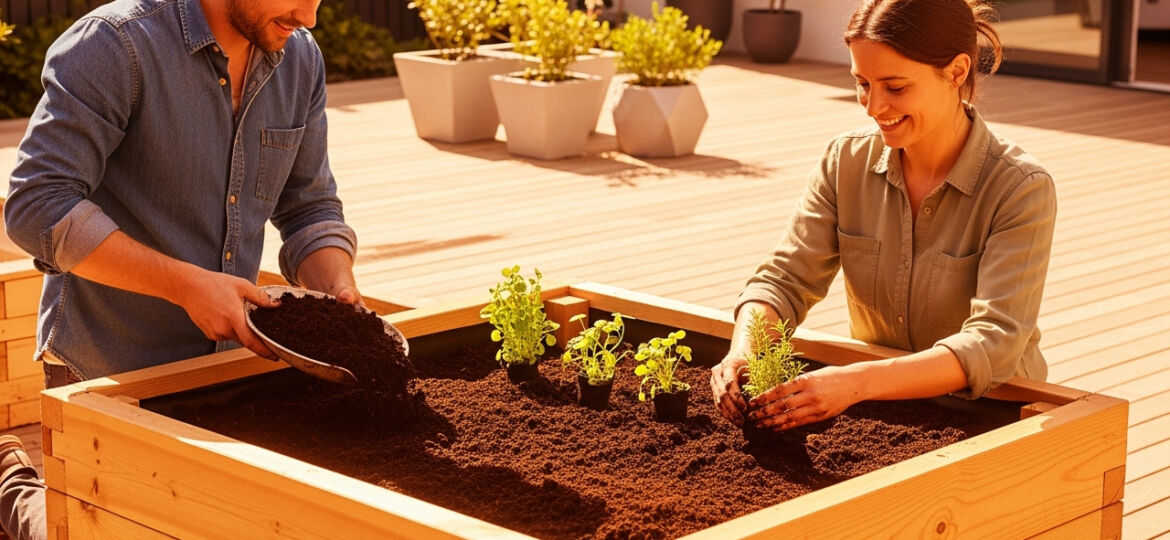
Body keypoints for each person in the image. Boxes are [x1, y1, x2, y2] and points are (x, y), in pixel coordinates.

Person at [2, 1, 359, 538]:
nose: (308, 17)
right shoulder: (114, 44)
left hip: (229, 374)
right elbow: (38, 206)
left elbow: (309, 206)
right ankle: (12, 487)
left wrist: (337, 287)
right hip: (108, 368)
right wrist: (187, 286)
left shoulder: (298, 57)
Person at [711, 0, 1056, 433]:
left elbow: (993, 343)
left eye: (894, 87)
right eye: (862, 83)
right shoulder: (845, 161)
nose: (874, 107)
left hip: (992, 413)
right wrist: (744, 349)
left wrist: (854, 382)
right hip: (880, 411)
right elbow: (785, 279)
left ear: (957, 72)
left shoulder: (1020, 187)